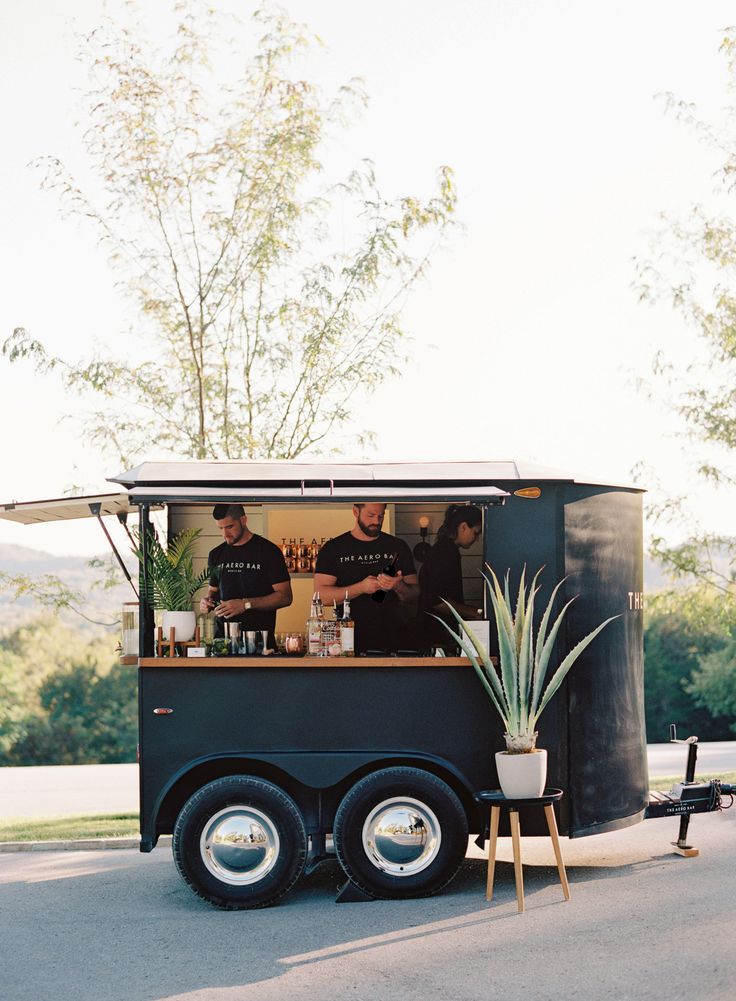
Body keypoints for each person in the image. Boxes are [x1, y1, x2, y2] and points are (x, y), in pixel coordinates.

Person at [313, 502, 419, 654]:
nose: (376, 521)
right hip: (349, 640)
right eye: (370, 515)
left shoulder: (397, 546)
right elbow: (321, 597)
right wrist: (361, 588)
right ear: (356, 511)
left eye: (381, 516)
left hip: (393, 638)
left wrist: (398, 586)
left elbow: (415, 595)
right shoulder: (334, 548)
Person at [199, 504, 292, 646]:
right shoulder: (216, 554)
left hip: (261, 644)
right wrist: (206, 602)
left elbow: (285, 597)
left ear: (243, 520)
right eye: (220, 528)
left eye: (229, 527)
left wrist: (245, 604)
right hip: (223, 644)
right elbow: (213, 590)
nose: (224, 534)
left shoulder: (268, 551)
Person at [417, 504, 484, 651]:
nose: (476, 539)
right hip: (436, 637)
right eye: (476, 532)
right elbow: (436, 601)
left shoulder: (444, 550)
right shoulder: (445, 553)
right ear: (464, 527)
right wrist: (474, 612)